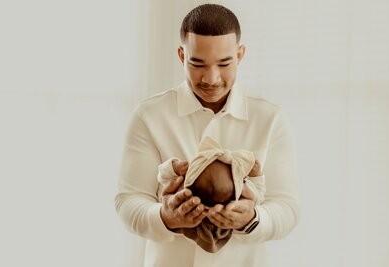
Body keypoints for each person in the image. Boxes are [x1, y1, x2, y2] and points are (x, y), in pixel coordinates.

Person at [115, 3, 299, 267]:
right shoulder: (149, 115)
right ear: (181, 55)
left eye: (224, 64)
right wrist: (166, 217)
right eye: (197, 63)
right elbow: (128, 202)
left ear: (240, 54)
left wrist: (252, 219)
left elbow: (288, 209)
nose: (211, 79)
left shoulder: (269, 119)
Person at [157, 136, 265, 253]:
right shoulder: (241, 198)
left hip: (180, 239)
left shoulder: (182, 193)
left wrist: (174, 168)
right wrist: (256, 176)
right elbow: (258, 196)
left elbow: (163, 177)